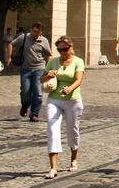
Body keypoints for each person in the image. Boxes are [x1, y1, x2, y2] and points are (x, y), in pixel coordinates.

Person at [40, 36, 85, 179]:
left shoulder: (78, 61)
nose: (63, 52)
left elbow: (78, 80)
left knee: (72, 130)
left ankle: (74, 158)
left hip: (72, 100)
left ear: (71, 47)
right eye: (59, 49)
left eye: (65, 49)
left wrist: (69, 88)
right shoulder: (53, 62)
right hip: (54, 99)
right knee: (52, 129)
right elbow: (41, 78)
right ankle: (53, 168)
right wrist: (48, 75)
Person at [7, 22, 52, 122]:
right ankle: (25, 105)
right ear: (31, 30)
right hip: (25, 69)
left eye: (38, 32)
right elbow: (11, 44)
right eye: (34, 31)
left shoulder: (44, 41)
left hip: (39, 69)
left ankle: (34, 114)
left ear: (41, 32)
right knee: (25, 91)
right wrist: (9, 57)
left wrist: (48, 69)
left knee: (38, 93)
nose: (35, 34)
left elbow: (48, 55)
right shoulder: (24, 37)